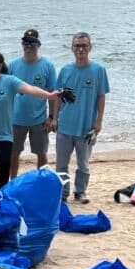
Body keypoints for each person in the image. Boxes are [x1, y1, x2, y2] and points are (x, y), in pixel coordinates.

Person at [0, 51, 67, 188]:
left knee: (4, 167)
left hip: (4, 135)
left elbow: (30, 89)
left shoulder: (10, 81)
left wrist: (50, 96)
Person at [55, 32, 109, 204]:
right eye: (77, 45)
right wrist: (54, 118)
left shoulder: (98, 70)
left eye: (83, 45)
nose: (80, 49)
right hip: (65, 126)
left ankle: (80, 192)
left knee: (83, 164)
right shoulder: (65, 70)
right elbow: (58, 96)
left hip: (86, 128)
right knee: (61, 165)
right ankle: (62, 194)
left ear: (90, 48)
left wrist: (99, 121)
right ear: (72, 49)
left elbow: (101, 97)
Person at [9, 28, 58, 178]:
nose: (29, 46)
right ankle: (12, 182)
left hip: (39, 119)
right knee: (13, 153)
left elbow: (53, 93)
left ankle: (40, 183)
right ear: (22, 44)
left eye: (32, 43)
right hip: (16, 119)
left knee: (41, 154)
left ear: (39, 44)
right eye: (26, 42)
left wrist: (52, 118)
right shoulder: (13, 65)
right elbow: (5, 92)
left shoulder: (47, 65)